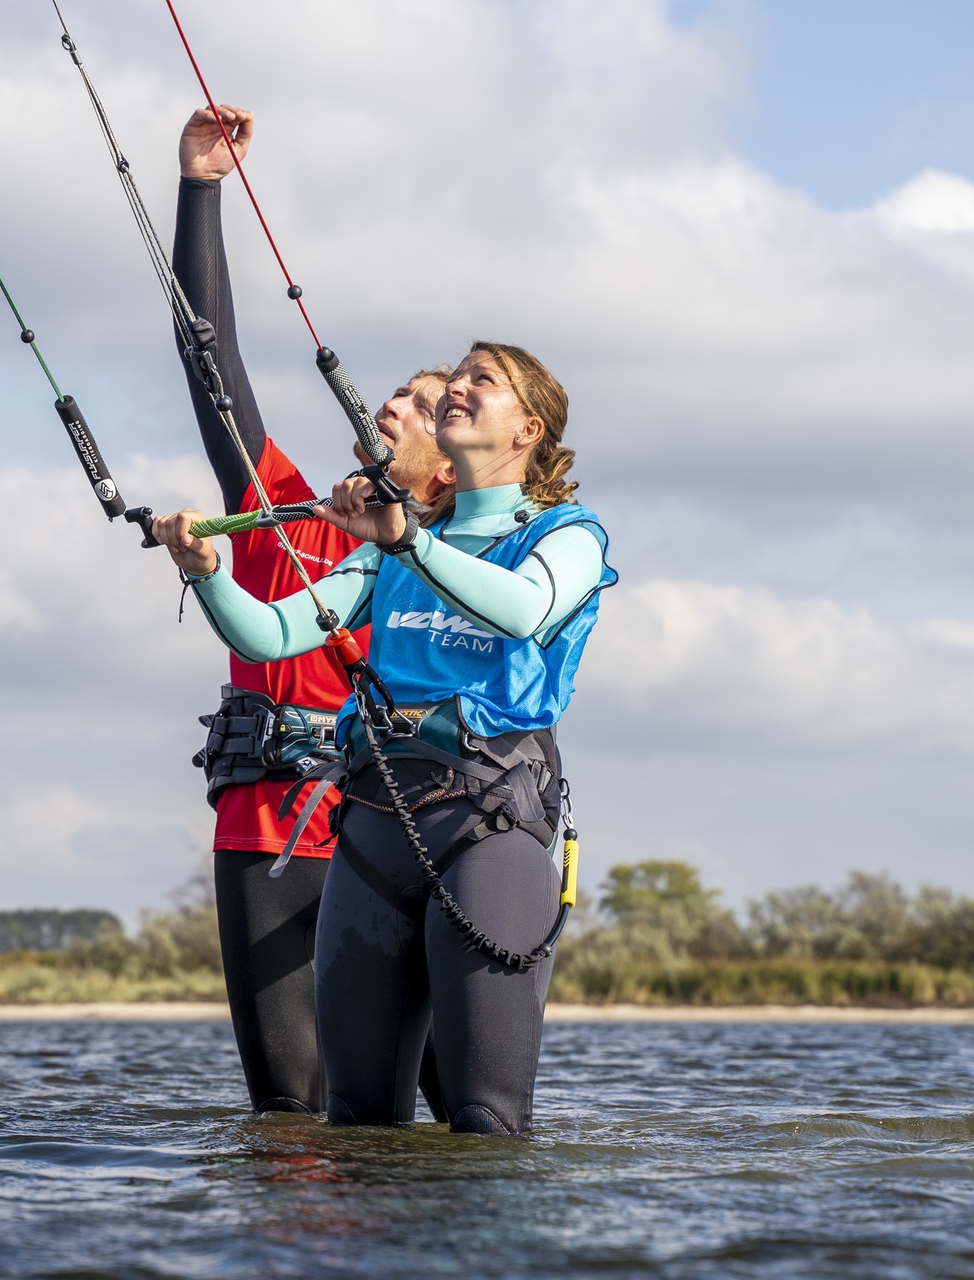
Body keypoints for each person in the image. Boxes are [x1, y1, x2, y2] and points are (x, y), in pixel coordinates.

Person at [153, 341, 616, 1133]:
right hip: (374, 829)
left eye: (483, 380)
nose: (458, 388)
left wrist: (407, 540)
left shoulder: (570, 534)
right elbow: (269, 635)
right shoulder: (391, 549)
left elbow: (525, 609)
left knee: (482, 1118)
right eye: (457, 377)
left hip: (488, 826)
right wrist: (204, 570)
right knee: (359, 1124)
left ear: (527, 429)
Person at [172, 105, 455, 1117]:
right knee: (293, 1121)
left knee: (466, 1122)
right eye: (399, 393)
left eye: (426, 405)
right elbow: (211, 364)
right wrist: (202, 188)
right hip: (269, 823)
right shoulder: (282, 505)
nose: (394, 405)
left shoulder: (466, 559)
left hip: (406, 829)